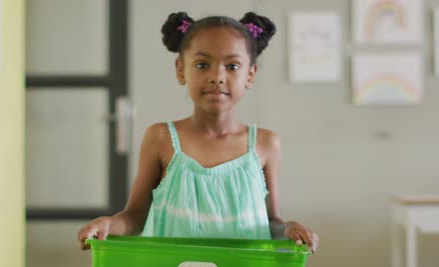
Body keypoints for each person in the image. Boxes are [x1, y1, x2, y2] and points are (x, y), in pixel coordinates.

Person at [77, 11, 319, 253]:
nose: (217, 77)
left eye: (232, 66)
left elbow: (270, 223)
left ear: (250, 74)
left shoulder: (266, 144)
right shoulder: (160, 138)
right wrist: (108, 223)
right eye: (202, 65)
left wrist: (288, 228)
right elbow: (135, 217)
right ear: (181, 70)